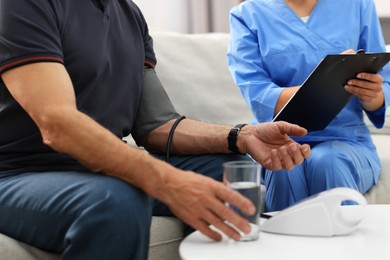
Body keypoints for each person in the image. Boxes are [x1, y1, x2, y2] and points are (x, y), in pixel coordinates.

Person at [0, 0, 311, 259]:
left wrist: (242, 136)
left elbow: (156, 125)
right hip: (18, 173)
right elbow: (57, 123)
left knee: (226, 173)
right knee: (113, 202)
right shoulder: (26, 5)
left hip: (95, 168)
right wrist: (166, 181)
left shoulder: (129, 14)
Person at [228, 0, 390, 212]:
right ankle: (283, 244)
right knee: (284, 168)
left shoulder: (358, 5)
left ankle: (343, 244)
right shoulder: (246, 15)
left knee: (329, 162)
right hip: (277, 139)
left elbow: (383, 84)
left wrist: (370, 93)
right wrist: (329, 81)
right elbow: (257, 92)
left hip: (347, 140)